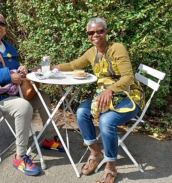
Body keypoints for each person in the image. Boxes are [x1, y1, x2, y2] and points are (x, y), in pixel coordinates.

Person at [0, 12, 64, 176]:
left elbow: (15, 68)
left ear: (5, 28)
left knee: (44, 97)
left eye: (2, 23)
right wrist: (8, 76)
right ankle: (20, 156)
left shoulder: (9, 47)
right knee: (23, 106)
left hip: (12, 91)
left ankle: (49, 139)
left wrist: (22, 70)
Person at [51, 17, 145, 183]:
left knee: (106, 121)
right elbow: (74, 65)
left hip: (129, 95)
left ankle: (110, 166)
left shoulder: (117, 49)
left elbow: (128, 77)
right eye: (91, 32)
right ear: (88, 35)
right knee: (81, 111)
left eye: (99, 31)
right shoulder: (92, 52)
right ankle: (95, 153)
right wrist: (53, 68)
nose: (95, 35)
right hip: (104, 95)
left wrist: (111, 89)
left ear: (106, 32)